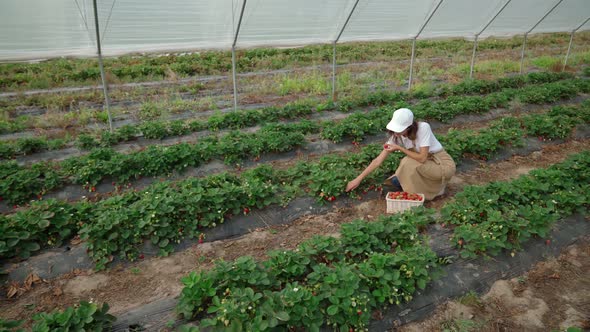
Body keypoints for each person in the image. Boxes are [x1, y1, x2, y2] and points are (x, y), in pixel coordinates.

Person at [345, 108, 456, 200]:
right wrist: (358, 179)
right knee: (396, 181)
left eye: (399, 130)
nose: (396, 133)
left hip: (442, 165)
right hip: (427, 165)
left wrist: (399, 148)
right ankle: (433, 186)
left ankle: (435, 189)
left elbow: (422, 158)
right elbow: (378, 160)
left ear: (409, 127)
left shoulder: (423, 128)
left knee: (406, 162)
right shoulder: (396, 136)